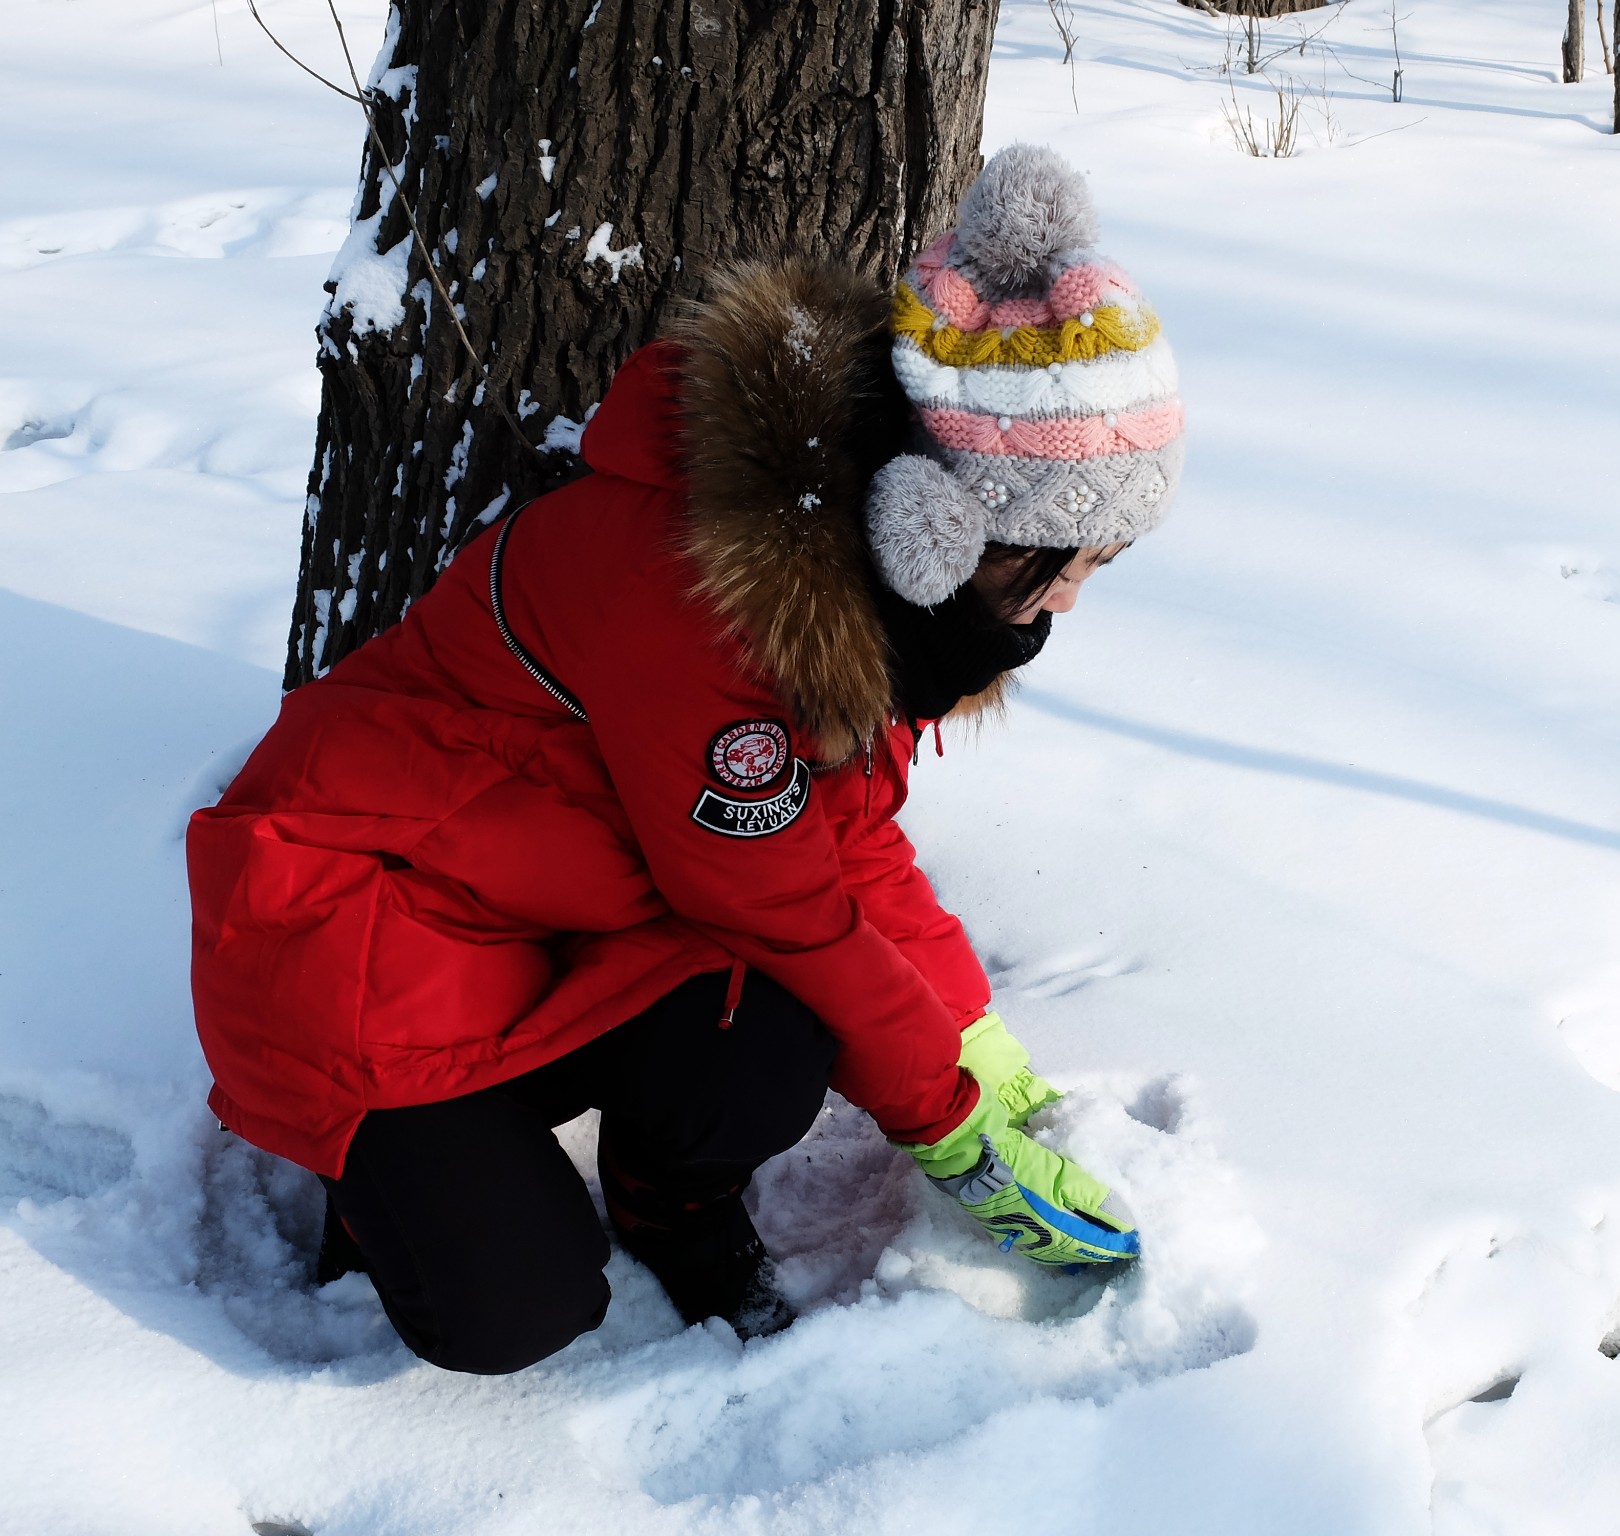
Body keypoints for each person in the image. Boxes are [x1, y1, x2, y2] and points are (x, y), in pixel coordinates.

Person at [185, 145, 1184, 1374]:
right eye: (1061, 562)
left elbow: (845, 838)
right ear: (939, 522)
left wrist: (972, 1042)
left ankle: (667, 1201)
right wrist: (953, 1131)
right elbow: (780, 902)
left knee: (770, 1038)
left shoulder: (858, 584)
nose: (1069, 603)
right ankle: (384, 1168)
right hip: (359, 918)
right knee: (515, 1313)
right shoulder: (715, 606)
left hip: (554, 899)